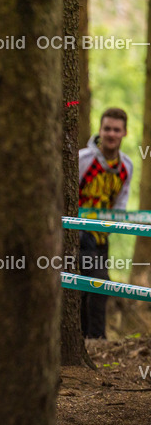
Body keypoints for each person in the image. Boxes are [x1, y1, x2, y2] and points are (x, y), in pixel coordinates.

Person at [78, 107, 132, 339]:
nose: (111, 134)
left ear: (124, 133)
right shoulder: (82, 159)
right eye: (107, 129)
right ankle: (94, 339)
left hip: (102, 236)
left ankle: (88, 340)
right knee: (95, 285)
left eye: (116, 130)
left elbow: (120, 205)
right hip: (77, 234)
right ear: (100, 130)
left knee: (91, 287)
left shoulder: (126, 166)